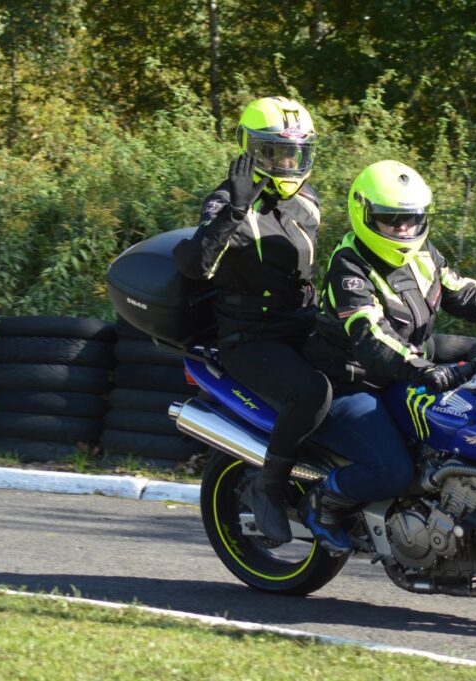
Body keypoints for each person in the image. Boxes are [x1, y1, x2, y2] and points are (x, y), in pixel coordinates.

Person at [301, 160, 476, 553]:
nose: (403, 229)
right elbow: (370, 337)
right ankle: (323, 502)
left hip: (403, 368)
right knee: (394, 470)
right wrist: (422, 368)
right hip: (351, 382)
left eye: (412, 219)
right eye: (391, 219)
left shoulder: (423, 254)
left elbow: (463, 292)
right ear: (364, 214)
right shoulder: (350, 267)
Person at [173, 96, 327, 544]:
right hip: (251, 336)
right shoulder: (225, 199)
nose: (287, 163)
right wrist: (236, 210)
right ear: (250, 149)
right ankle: (268, 488)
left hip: (301, 323)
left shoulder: (309, 201)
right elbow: (196, 264)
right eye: (275, 152)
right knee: (311, 392)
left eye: (295, 153)